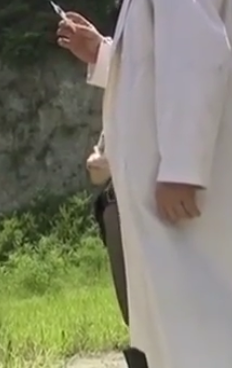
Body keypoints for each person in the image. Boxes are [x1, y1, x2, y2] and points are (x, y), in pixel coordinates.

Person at [58, 0, 232, 367]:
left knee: (207, 329)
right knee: (183, 329)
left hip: (187, 197)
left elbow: (196, 59)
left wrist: (182, 169)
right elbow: (153, 70)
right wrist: (102, 53)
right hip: (167, 202)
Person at [86, 133, 148, 368]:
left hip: (154, 209)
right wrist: (99, 163)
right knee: (132, 312)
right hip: (116, 210)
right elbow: (98, 174)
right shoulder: (115, 114)